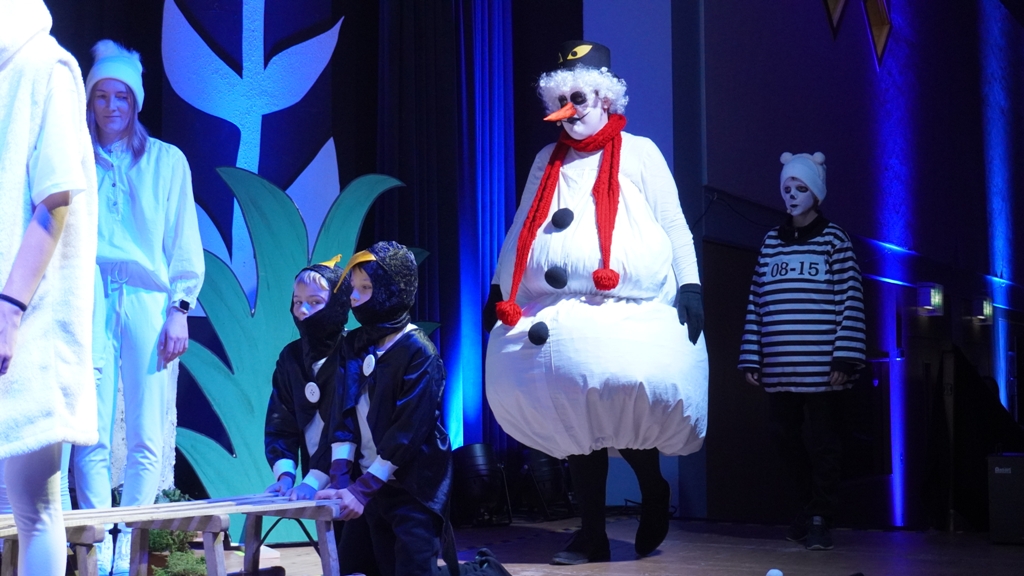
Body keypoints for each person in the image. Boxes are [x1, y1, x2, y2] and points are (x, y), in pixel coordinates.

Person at [483, 41, 709, 565]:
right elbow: (522, 226)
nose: (568, 111)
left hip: (627, 308)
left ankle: (652, 488)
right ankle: (592, 534)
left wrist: (691, 285)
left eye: (578, 98)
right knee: (578, 426)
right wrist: (500, 288)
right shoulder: (547, 160)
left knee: (625, 408)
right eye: (559, 100)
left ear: (605, 98)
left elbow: (673, 223)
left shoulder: (640, 152)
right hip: (562, 313)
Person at [71, 39, 205, 576]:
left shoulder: (167, 161)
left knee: (148, 430)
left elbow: (183, 241)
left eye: (121, 96)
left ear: (136, 100)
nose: (111, 106)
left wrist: (179, 309)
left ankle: (130, 542)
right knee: (91, 429)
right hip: (89, 294)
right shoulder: (76, 157)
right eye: (101, 95)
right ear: (90, 101)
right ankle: (98, 540)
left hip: (149, 298)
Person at [0, 1, 99, 573]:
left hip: (29, 316)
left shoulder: (47, 66)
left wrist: (10, 309)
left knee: (35, 506)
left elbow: (55, 198)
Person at [738, 151, 866, 551]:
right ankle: (809, 508)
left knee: (826, 443)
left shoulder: (834, 239)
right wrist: (752, 354)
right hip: (781, 367)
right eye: (787, 188)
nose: (792, 195)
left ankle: (820, 516)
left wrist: (845, 356)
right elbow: (757, 301)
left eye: (801, 188)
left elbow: (850, 299)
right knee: (782, 436)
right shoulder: (770, 242)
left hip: (823, 369)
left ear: (817, 193)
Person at [316, 241, 458, 576]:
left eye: (366, 288)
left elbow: (407, 430)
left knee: (413, 568)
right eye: (353, 288)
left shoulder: (418, 352)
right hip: (368, 483)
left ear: (392, 289)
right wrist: (341, 477)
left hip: (412, 487)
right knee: (363, 566)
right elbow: (342, 413)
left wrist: (363, 488)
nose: (354, 298)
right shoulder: (353, 344)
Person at [265, 257, 350, 500]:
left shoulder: (352, 355)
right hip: (314, 485)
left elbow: (345, 428)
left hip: (355, 484)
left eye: (315, 302)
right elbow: (281, 421)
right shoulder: (290, 357)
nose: (303, 311)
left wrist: (313, 481)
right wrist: (285, 476)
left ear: (337, 304)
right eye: (298, 302)